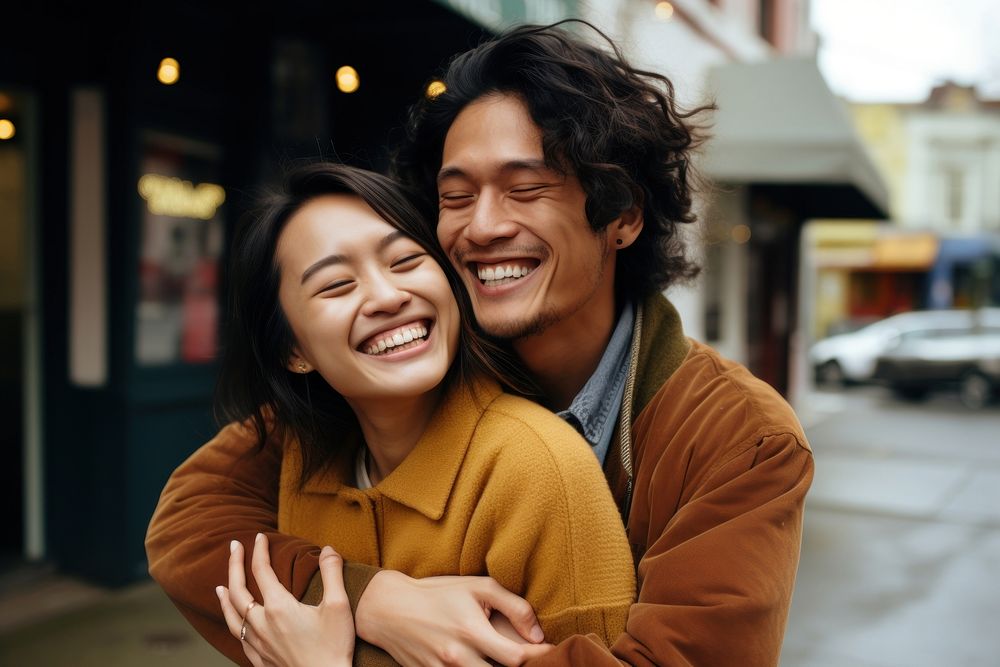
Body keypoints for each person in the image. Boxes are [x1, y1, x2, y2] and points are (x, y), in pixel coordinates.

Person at [146, 19, 815, 666]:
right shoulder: (398, 377)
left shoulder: (738, 437)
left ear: (623, 213)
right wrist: (368, 596)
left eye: (525, 188)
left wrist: (338, 651)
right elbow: (190, 522)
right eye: (456, 196)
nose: (484, 226)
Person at [149, 161, 636, 666]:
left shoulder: (538, 468)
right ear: (294, 350)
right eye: (336, 285)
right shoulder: (302, 454)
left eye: (405, 261)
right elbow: (180, 527)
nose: (386, 297)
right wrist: (369, 600)